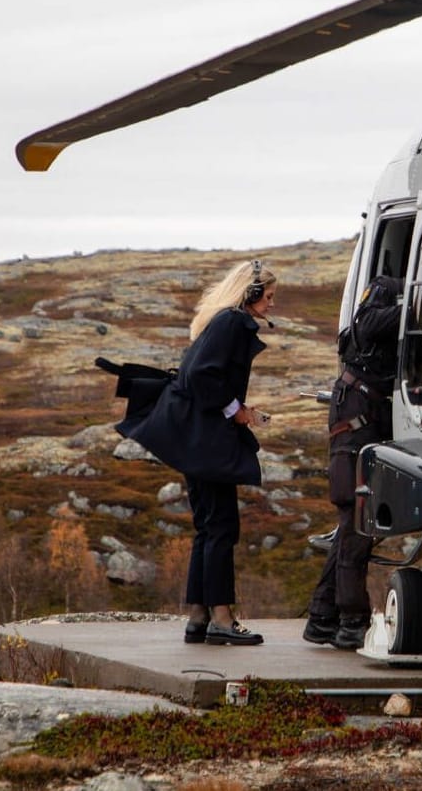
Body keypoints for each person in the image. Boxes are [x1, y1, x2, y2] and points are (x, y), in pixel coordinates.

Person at [117, 260, 276, 647]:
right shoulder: (233, 323)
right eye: (269, 296)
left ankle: (199, 617)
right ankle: (222, 616)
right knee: (222, 527)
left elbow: (199, 374)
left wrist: (239, 410)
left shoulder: (219, 321)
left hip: (194, 438)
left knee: (208, 526)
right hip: (206, 440)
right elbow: (202, 376)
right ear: (251, 294)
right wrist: (236, 411)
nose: (272, 304)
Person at [305, 273, 402, 650]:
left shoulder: (373, 320)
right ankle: (350, 620)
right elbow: (370, 320)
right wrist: (418, 303)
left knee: (352, 524)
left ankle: (322, 617)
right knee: (356, 521)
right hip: (355, 429)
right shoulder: (377, 306)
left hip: (358, 424)